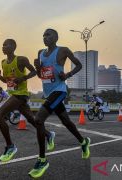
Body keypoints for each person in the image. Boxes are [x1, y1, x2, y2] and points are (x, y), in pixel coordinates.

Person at [28, 29, 91, 178]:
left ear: (56, 37)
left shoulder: (63, 50)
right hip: (49, 93)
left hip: (60, 90)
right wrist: (37, 67)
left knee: (38, 120)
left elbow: (79, 65)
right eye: (43, 35)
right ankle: (83, 142)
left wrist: (68, 74)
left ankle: (42, 160)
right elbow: (41, 75)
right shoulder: (40, 52)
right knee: (66, 121)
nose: (45, 37)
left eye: (48, 35)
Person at [0, 39, 55, 162]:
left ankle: (10, 146)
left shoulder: (21, 59)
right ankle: (48, 134)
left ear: (13, 47)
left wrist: (23, 78)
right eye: (3, 44)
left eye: (6, 44)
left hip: (21, 94)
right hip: (14, 94)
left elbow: (34, 71)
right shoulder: (3, 63)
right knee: (33, 121)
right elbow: (8, 81)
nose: (3, 46)